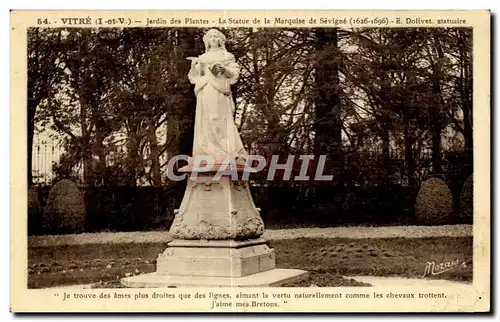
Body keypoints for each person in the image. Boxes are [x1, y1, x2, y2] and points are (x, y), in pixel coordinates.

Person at [187, 29, 247, 168]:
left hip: (219, 89)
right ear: (206, 40)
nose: (213, 39)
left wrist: (223, 70)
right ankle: (207, 150)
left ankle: (224, 150)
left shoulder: (227, 55)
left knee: (218, 118)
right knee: (205, 120)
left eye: (216, 36)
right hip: (205, 90)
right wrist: (195, 67)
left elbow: (234, 73)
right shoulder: (201, 57)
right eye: (210, 37)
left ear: (221, 40)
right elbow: (194, 77)